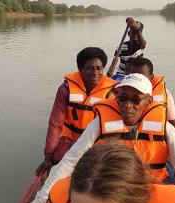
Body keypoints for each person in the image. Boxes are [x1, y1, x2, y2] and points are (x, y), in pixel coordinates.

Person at [8, 73, 175, 203]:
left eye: (136, 99)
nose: (128, 104)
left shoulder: (164, 128)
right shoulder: (99, 123)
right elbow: (69, 162)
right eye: (122, 97)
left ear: (148, 101)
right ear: (115, 97)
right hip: (107, 193)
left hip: (150, 193)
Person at [35, 47, 117, 176]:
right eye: (89, 68)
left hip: (96, 143)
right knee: (57, 161)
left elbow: (114, 129)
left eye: (99, 68)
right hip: (70, 141)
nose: (95, 72)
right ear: (81, 71)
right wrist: (48, 156)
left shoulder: (111, 92)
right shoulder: (65, 90)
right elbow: (55, 123)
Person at [129, 57, 175, 151]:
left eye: (143, 76)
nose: (139, 80)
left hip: (155, 147)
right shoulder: (122, 96)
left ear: (151, 76)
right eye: (135, 76)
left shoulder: (165, 94)